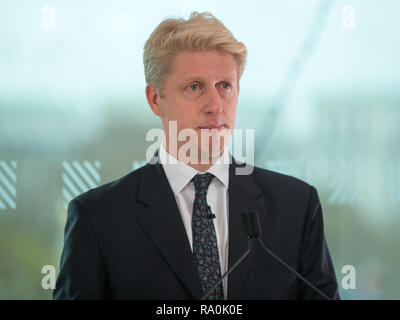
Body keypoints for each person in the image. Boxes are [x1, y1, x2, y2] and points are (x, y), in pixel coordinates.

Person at [54, 12, 339, 300]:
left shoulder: (297, 206)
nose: (215, 105)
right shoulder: (98, 218)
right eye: (195, 87)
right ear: (155, 99)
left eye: (224, 86)